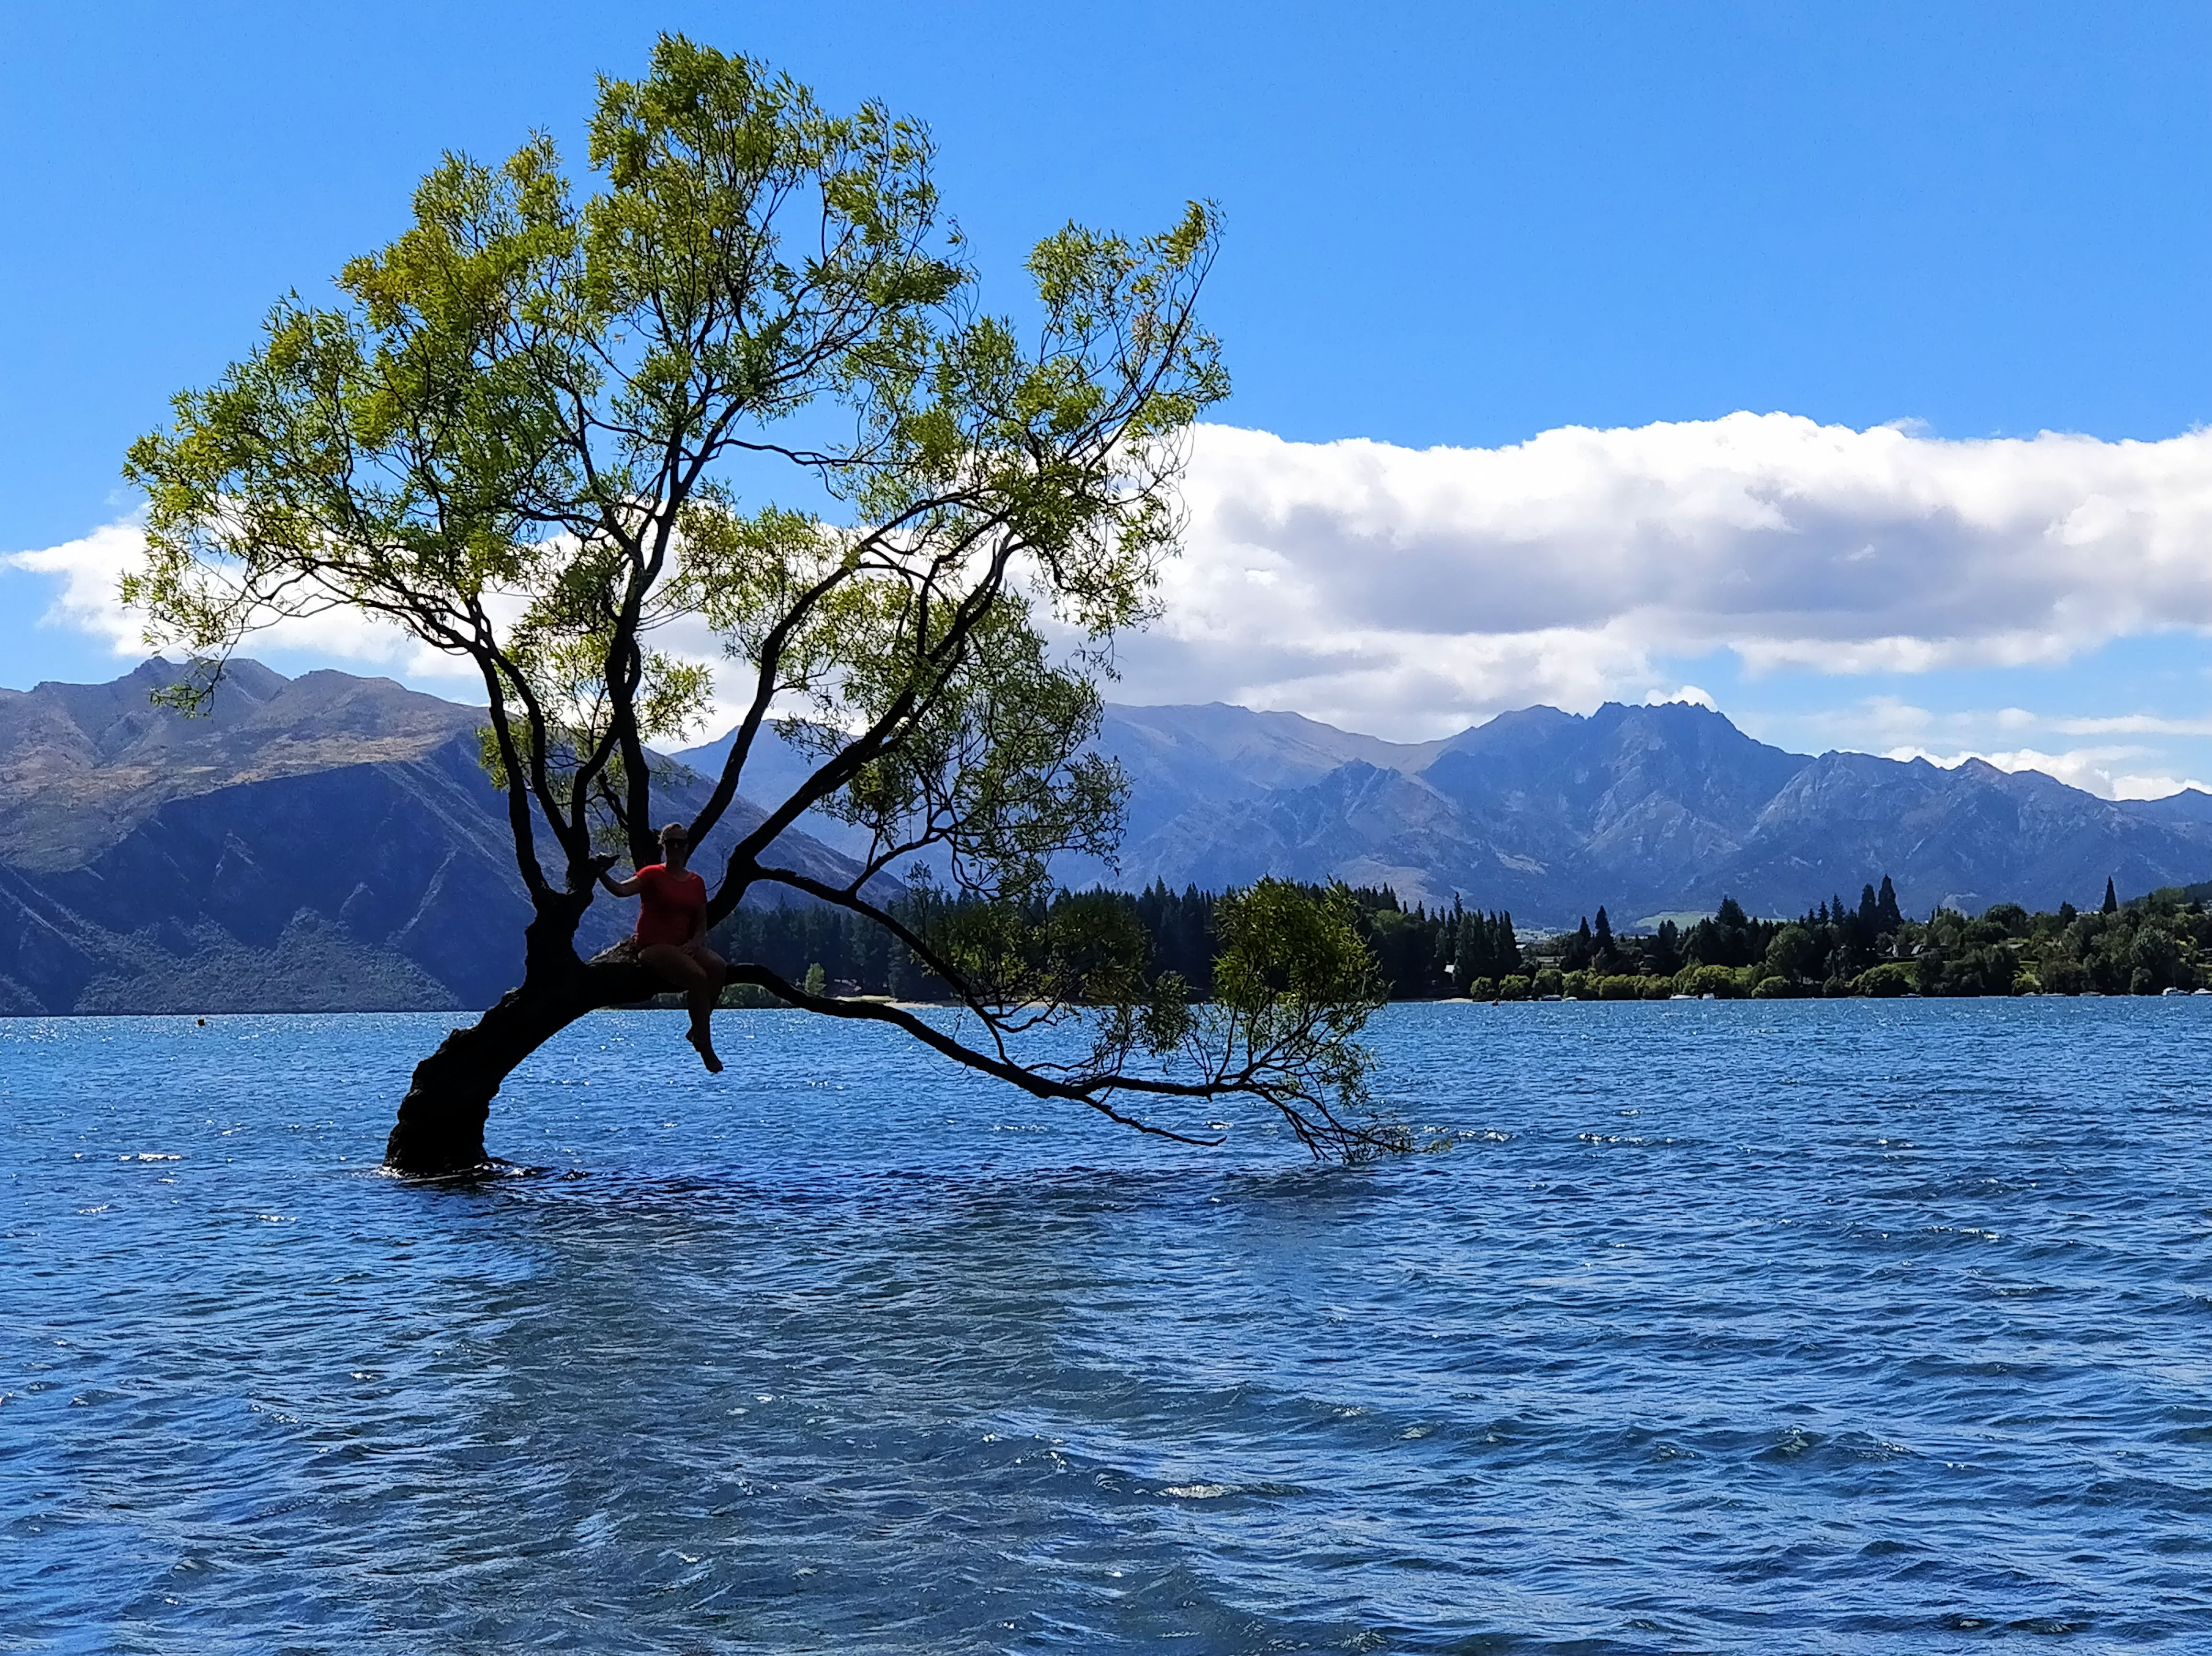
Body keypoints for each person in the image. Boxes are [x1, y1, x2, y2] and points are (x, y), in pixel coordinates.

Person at [599, 822, 726, 1073]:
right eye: (671, 843)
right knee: (699, 977)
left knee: (719, 967)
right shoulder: (651, 874)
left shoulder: (696, 882)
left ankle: (697, 1029)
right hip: (653, 946)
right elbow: (621, 890)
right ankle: (706, 1044)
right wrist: (600, 873)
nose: (676, 847)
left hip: (684, 946)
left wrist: (695, 943)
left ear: (687, 847)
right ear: (664, 846)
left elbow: (701, 922)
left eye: (681, 842)